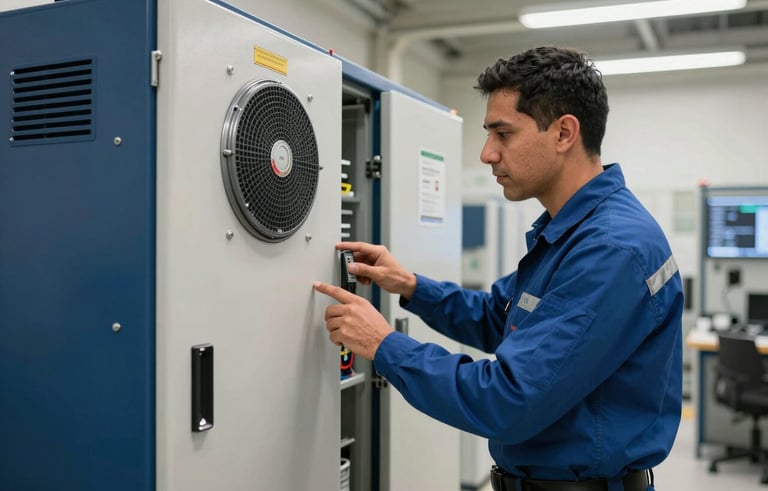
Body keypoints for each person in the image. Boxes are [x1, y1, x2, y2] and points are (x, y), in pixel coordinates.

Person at [313, 46, 683, 491]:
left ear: (564, 133)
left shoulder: (611, 249)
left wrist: (384, 344)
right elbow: (499, 317)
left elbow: (507, 401)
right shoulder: (569, 232)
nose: (487, 154)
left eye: (502, 134)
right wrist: (410, 285)